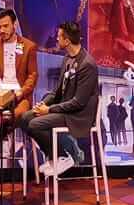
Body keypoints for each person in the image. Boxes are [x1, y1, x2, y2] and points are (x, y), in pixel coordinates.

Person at [19, 22, 98, 177]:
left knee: (35, 124)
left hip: (78, 115)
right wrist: (43, 104)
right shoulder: (67, 59)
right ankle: (54, 157)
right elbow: (57, 92)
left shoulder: (87, 64)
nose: (56, 39)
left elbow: (78, 103)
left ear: (67, 40)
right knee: (25, 118)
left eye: (59, 36)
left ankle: (63, 156)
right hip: (65, 110)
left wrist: (49, 110)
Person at [0, 9, 37, 153]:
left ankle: (0, 136)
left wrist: (21, 92)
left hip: (20, 96)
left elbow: (32, 76)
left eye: (5, 26)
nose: (2, 30)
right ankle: (3, 136)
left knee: (15, 115)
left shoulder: (29, 46)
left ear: (14, 24)